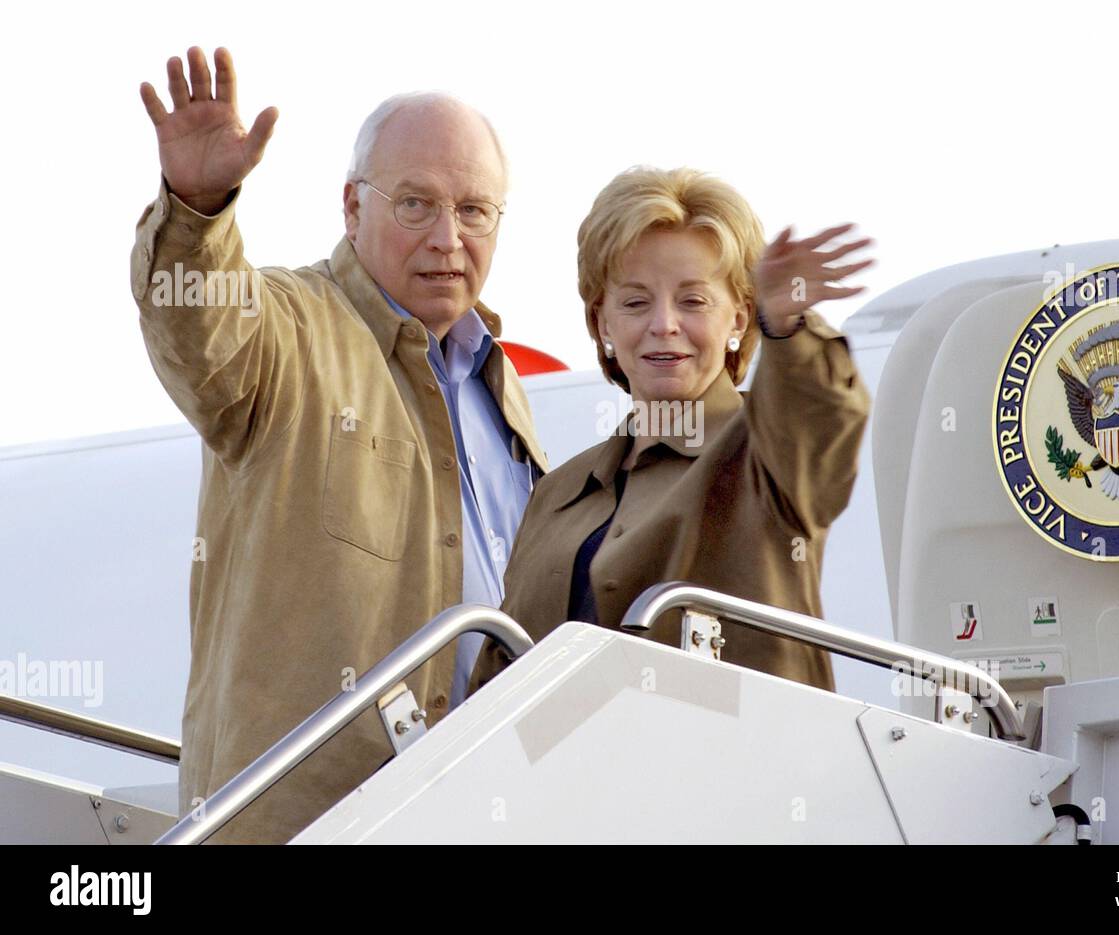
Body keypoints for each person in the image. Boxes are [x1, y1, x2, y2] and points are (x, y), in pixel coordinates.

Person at [131, 47, 546, 843]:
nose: (448, 238)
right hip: (319, 824)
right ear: (352, 208)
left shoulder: (505, 392)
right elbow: (202, 333)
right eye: (416, 203)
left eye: (474, 210)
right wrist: (196, 209)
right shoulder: (291, 328)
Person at [471, 167, 871, 693]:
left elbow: (821, 415)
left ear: (738, 319)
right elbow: (501, 676)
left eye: (693, 300)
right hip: (561, 773)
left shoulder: (768, 454)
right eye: (635, 301)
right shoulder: (556, 493)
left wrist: (787, 326)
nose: (663, 323)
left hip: (734, 768)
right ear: (602, 324)